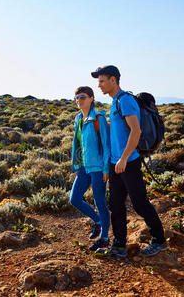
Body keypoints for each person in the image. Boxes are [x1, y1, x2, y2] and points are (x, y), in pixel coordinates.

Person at [91, 65, 167, 257]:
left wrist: (124, 158)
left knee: (140, 203)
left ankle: (159, 240)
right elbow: (119, 132)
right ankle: (119, 246)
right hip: (116, 162)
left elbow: (136, 131)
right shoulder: (115, 102)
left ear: (113, 80)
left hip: (128, 162)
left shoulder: (125, 100)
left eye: (102, 81)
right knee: (115, 204)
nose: (99, 85)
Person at [70, 86, 111, 251]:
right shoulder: (78, 119)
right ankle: (98, 221)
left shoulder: (98, 118)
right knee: (74, 199)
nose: (79, 100)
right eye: (77, 98)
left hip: (98, 167)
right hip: (84, 167)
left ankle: (105, 239)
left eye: (82, 97)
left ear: (91, 98)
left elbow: (107, 145)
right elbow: (77, 143)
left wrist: (107, 168)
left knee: (99, 201)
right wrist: (76, 165)